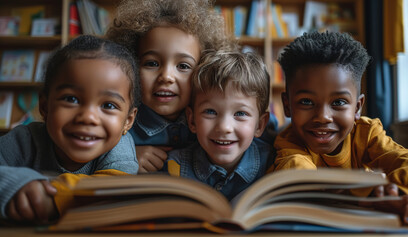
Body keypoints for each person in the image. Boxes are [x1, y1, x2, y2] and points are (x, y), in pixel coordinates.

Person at [271, 31, 408, 224]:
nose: (323, 117)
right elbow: (301, 178)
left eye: (338, 102)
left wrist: (398, 194)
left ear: (357, 107)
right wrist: (367, 196)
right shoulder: (289, 141)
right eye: (306, 101)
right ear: (287, 106)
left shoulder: (367, 133)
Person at [0, 35, 141, 224]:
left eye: (108, 105)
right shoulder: (25, 139)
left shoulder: (120, 149)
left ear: (128, 121)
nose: (88, 117)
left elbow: (110, 190)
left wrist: (50, 194)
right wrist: (16, 183)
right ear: (45, 107)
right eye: (71, 99)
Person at [106, 0, 257, 173]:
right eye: (152, 63)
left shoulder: (216, 119)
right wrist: (127, 156)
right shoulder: (118, 118)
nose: (166, 77)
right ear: (130, 64)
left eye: (183, 66)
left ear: (204, 69)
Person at [161, 50, 275, 201]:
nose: (224, 127)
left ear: (259, 125)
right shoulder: (174, 167)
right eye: (210, 111)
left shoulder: (274, 163)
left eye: (240, 114)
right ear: (192, 120)